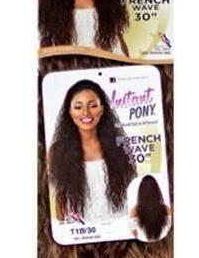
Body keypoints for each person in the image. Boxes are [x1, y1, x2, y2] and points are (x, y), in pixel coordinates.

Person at [47, 79, 135, 224]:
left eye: (93, 105)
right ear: (70, 111)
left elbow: (133, 191)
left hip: (119, 225)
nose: (86, 113)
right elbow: (59, 200)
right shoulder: (57, 151)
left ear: (102, 109)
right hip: (81, 230)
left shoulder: (120, 145)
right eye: (78, 107)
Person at [130, 175, 172, 241]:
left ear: (141, 191)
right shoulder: (166, 209)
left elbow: (133, 232)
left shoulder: (134, 211)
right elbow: (169, 229)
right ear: (157, 191)